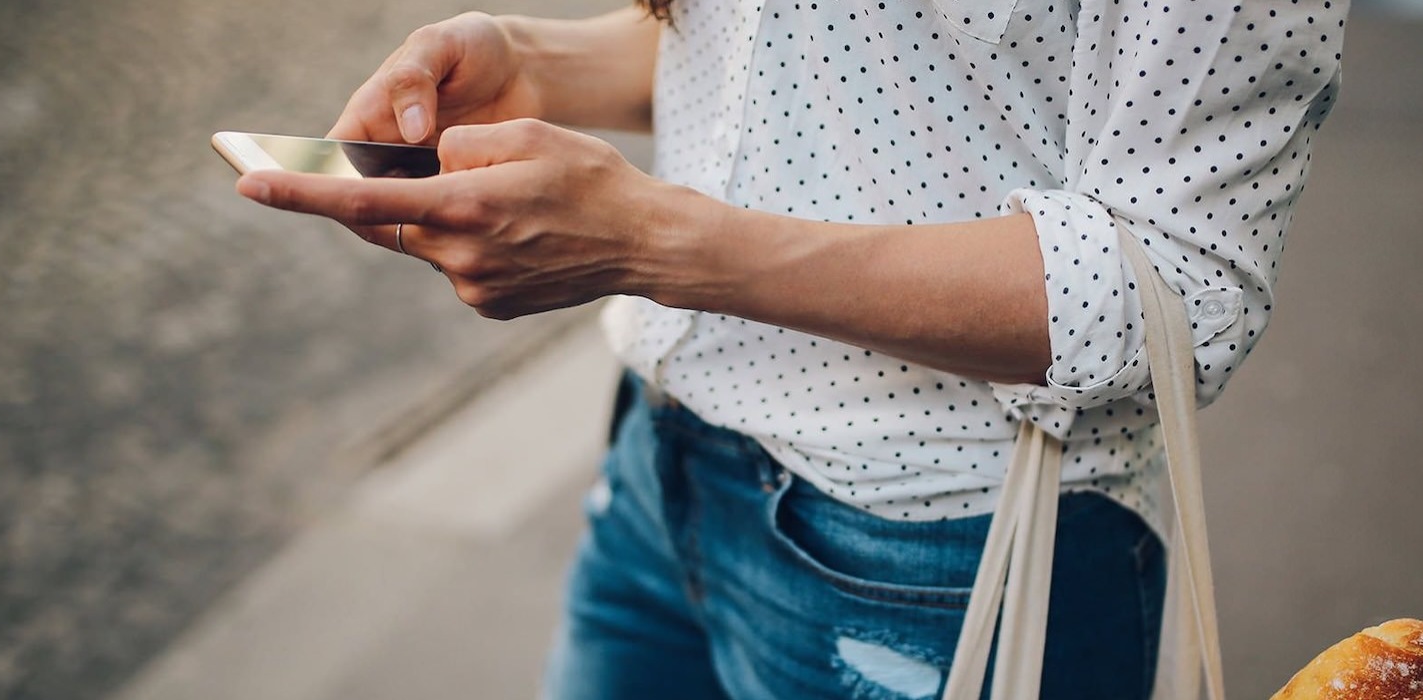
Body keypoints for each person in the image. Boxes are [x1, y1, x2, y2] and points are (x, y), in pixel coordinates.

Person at [237, 1, 1346, 697]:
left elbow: (1181, 281)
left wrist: (656, 241)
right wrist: (529, 57)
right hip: (656, 470)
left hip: (937, 551)